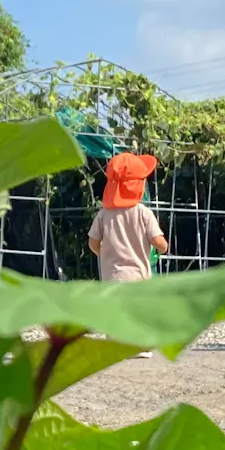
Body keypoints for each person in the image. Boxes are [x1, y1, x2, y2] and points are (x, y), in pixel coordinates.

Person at [89, 152, 168, 358]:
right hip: (138, 275)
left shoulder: (104, 214)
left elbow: (92, 242)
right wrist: (163, 248)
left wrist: (103, 254)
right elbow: (158, 241)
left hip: (112, 275)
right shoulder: (143, 212)